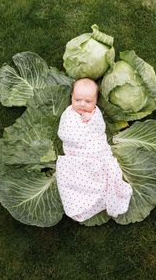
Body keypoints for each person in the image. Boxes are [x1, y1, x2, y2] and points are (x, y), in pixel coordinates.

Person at [56, 78, 132, 222]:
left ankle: (102, 195)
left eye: (88, 101)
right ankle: (86, 200)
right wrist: (81, 134)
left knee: (102, 173)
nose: (82, 105)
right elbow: (64, 133)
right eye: (78, 100)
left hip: (96, 152)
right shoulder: (68, 114)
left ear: (95, 102)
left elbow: (100, 129)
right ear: (72, 97)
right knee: (74, 178)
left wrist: (91, 120)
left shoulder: (95, 114)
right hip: (77, 155)